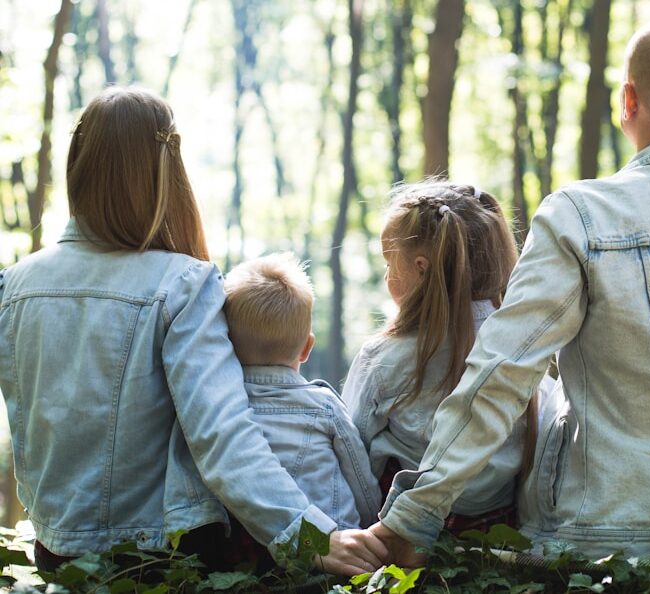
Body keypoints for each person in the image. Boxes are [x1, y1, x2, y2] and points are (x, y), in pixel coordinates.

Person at [369, 16, 650, 563]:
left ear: (627, 100)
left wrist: (415, 516)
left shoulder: (581, 216)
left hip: (603, 540)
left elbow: (501, 373)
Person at [0, 86, 386, 575]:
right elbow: (222, 436)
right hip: (156, 560)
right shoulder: (183, 283)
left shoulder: (13, 284)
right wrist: (311, 537)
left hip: (56, 555)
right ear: (166, 172)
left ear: (78, 163)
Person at [342, 181, 555, 532]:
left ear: (421, 268)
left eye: (390, 263)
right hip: (498, 530)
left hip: (401, 532)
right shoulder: (524, 352)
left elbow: (352, 452)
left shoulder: (383, 357)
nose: (386, 276)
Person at [222, 253, 381, 530]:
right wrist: (371, 524)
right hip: (333, 541)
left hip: (250, 548)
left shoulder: (219, 408)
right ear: (307, 348)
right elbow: (360, 480)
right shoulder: (324, 407)